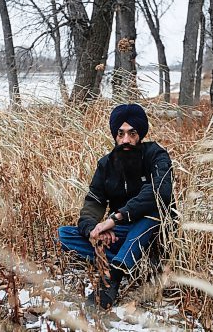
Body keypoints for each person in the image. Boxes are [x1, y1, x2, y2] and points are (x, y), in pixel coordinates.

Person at [58, 103, 173, 309]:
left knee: (153, 214)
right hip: (122, 233)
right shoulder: (106, 164)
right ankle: (129, 259)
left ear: (141, 134)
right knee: (65, 235)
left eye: (132, 133)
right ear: (115, 135)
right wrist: (94, 230)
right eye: (120, 134)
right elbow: (93, 203)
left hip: (153, 231)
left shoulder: (156, 155)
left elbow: (159, 192)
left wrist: (113, 219)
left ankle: (114, 275)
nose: (126, 140)